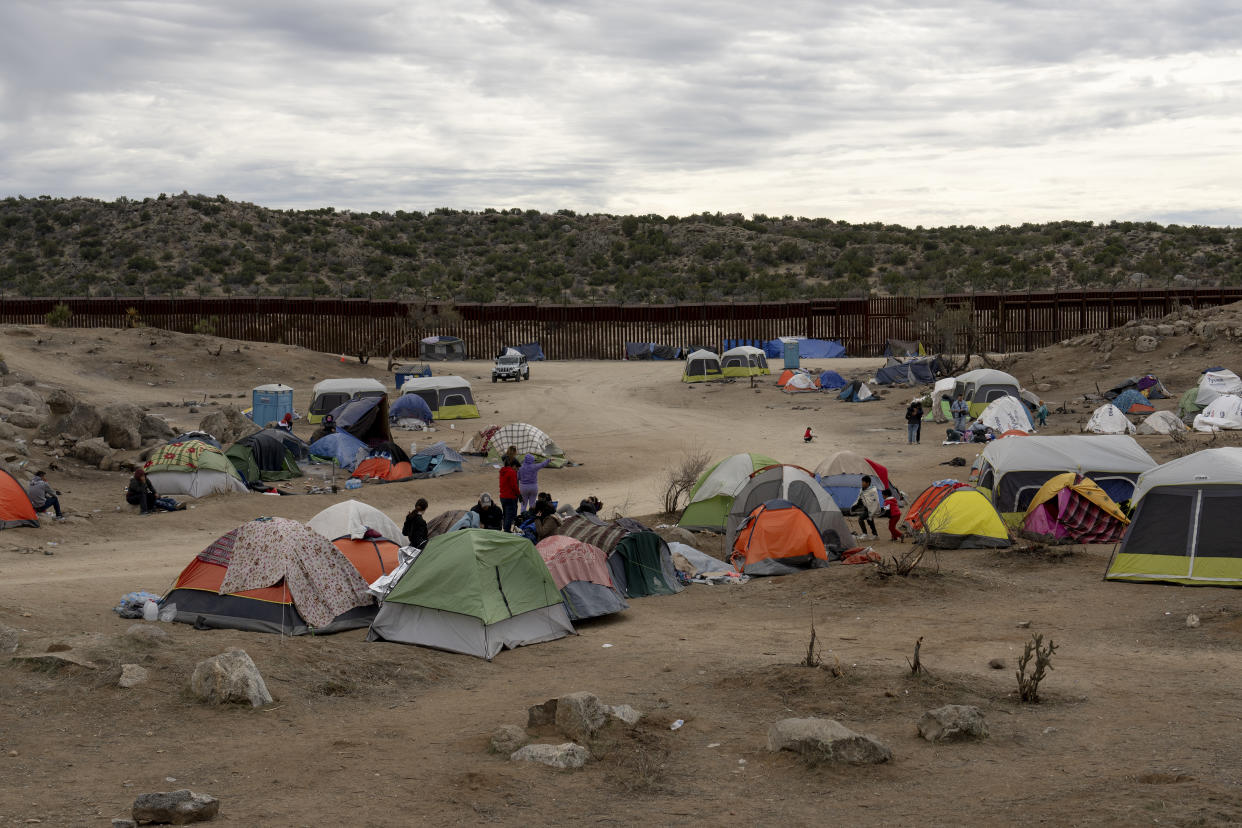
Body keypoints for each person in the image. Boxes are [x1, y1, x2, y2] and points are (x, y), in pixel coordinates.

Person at [853, 475, 880, 540]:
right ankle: (875, 535)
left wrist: (872, 510)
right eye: (862, 482)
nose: (862, 483)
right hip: (866, 508)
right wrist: (855, 505)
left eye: (863, 482)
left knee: (860, 519)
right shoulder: (862, 490)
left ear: (867, 483)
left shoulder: (873, 491)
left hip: (871, 509)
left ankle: (865, 534)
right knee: (870, 521)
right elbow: (860, 498)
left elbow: (875, 501)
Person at [499, 458, 520, 532]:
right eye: (517, 468)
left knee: (505, 514)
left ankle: (505, 529)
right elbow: (514, 485)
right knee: (509, 515)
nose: (517, 470)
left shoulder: (502, 471)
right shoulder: (511, 472)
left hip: (502, 496)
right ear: (514, 466)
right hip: (510, 497)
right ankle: (507, 531)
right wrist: (519, 495)